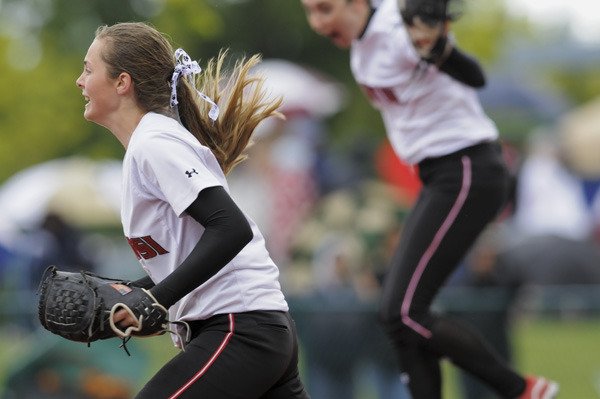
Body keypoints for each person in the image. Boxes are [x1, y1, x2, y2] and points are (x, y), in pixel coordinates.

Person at [300, 0, 558, 398]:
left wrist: (436, 43)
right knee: (403, 322)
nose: (316, 23)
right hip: (441, 177)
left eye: (324, 8)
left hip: (468, 168)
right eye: (309, 12)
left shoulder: (396, 27)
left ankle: (520, 389)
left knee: (400, 311)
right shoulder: (362, 43)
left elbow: (472, 75)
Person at [75, 21, 309, 399]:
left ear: (122, 82)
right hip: (252, 328)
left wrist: (155, 300)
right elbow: (190, 252)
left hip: (239, 327)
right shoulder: (149, 142)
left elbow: (231, 228)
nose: (80, 81)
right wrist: (131, 293)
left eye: (88, 69)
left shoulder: (153, 141)